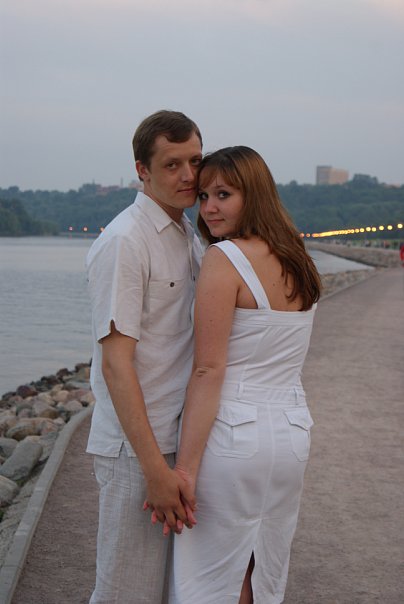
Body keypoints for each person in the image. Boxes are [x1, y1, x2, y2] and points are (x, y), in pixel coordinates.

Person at [167, 146, 322, 603]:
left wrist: (184, 469)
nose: (209, 208)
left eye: (224, 194)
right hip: (291, 434)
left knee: (212, 578)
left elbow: (208, 369)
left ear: (253, 195)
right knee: (260, 568)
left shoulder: (226, 258)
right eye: (204, 196)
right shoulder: (298, 258)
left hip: (234, 437)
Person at [86, 110, 203, 603]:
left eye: (195, 160)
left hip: (177, 439)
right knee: (126, 593)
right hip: (138, 449)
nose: (189, 175)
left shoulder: (187, 233)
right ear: (142, 170)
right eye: (172, 164)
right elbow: (116, 364)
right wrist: (154, 469)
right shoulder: (125, 241)